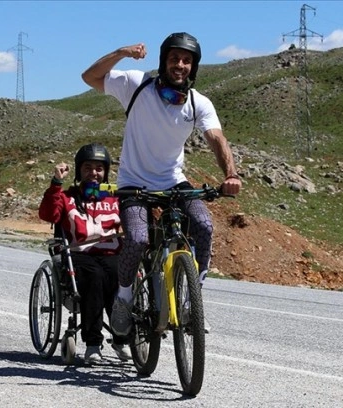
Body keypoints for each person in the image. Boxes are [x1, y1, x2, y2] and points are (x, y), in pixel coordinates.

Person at [81, 32, 242, 337]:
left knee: (204, 226)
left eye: (186, 61)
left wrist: (231, 174)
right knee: (139, 239)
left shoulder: (197, 103)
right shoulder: (136, 85)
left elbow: (217, 139)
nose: (179, 65)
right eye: (174, 58)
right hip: (133, 183)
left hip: (173, 181)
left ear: (193, 68)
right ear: (164, 61)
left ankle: (192, 300)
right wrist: (121, 52)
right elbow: (89, 77)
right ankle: (125, 298)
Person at [38, 143, 131, 364]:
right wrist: (56, 183)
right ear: (79, 170)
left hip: (111, 253)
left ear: (106, 172)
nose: (94, 173)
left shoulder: (115, 197)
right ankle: (92, 343)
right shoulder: (66, 196)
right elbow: (49, 214)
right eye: (88, 167)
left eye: (99, 168)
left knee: (122, 276)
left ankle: (122, 338)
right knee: (95, 277)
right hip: (79, 254)